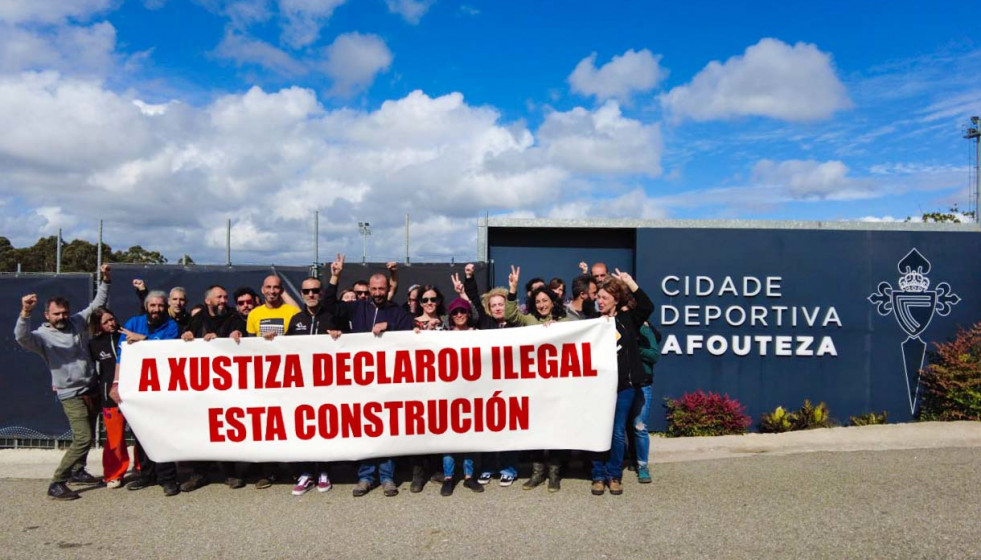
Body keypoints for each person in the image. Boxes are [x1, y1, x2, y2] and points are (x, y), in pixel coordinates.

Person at [15, 264, 111, 500]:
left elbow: (96, 305)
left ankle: (78, 470)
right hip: (70, 393)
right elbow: (21, 337)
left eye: (64, 313)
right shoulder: (41, 337)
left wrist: (105, 280)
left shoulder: (76, 322)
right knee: (83, 438)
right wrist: (25, 313)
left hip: (91, 387)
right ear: (47, 315)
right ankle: (57, 482)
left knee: (89, 432)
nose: (61, 317)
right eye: (56, 314)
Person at [324, 254, 413, 497]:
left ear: (388, 289)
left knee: (386, 430)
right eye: (373, 289)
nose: (377, 293)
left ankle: (387, 477)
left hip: (388, 381)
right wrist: (335, 276)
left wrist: (389, 327)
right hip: (360, 381)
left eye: (381, 289)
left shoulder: (396, 312)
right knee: (365, 429)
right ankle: (365, 477)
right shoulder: (357, 308)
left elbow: (410, 333)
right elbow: (329, 305)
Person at [109, 290, 182, 496]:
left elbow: (167, 351)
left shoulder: (171, 326)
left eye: (160, 305)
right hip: (137, 387)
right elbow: (122, 356)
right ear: (146, 306)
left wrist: (143, 339)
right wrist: (116, 383)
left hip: (163, 388)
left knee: (162, 433)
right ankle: (146, 475)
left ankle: (167, 478)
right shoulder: (133, 323)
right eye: (153, 305)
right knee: (141, 433)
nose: (157, 309)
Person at [590, 270, 654, 496]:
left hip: (624, 387)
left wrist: (629, 282)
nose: (600, 301)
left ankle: (614, 475)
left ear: (616, 300)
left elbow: (647, 306)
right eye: (598, 297)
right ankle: (598, 476)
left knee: (617, 432)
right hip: (599, 387)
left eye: (605, 297)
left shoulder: (627, 320)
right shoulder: (591, 322)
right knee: (599, 431)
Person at [504, 265, 568, 491]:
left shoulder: (565, 320)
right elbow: (510, 315)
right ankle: (537, 473)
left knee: (556, 430)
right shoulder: (529, 319)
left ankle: (554, 475)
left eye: (545, 301)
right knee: (535, 429)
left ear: (552, 301)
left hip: (557, 387)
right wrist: (512, 290)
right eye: (538, 301)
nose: (541, 305)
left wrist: (557, 329)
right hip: (533, 386)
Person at [459, 264, 519, 486]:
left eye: (500, 304)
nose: (497, 308)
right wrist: (469, 277)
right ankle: (487, 467)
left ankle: (508, 468)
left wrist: (512, 291)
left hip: (512, 383)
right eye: (493, 305)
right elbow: (474, 301)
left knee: (510, 427)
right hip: (487, 384)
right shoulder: (485, 323)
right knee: (488, 426)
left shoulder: (517, 324)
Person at [284, 276, 341, 496]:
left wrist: (339, 336)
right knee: (304, 428)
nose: (311, 294)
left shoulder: (332, 318)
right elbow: (284, 350)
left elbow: (349, 347)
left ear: (321, 293)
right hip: (301, 386)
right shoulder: (296, 319)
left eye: (315, 290)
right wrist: (270, 342)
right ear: (301, 293)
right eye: (307, 291)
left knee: (325, 427)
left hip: (327, 385)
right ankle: (306, 472)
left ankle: (325, 471)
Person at [437, 297, 484, 496]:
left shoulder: (478, 334)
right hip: (449, 391)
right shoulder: (442, 336)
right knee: (449, 435)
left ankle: (468, 476)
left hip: (471, 391)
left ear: (468, 313)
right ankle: (448, 477)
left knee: (468, 435)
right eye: (455, 312)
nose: (459, 315)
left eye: (462, 311)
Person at [87, 307, 128, 489]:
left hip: (134, 392)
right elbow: (88, 369)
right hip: (110, 396)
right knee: (115, 438)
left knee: (141, 434)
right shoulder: (94, 344)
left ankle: (142, 468)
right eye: (105, 322)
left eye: (112, 319)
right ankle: (114, 474)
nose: (111, 323)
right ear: (98, 326)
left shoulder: (126, 336)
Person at [632, 322, 661, 484]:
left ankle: (642, 466)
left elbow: (654, 356)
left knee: (640, 426)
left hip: (642, 384)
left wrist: (636, 348)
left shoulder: (644, 328)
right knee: (618, 427)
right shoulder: (614, 324)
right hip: (622, 384)